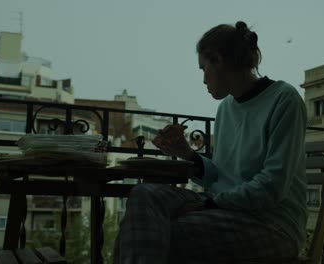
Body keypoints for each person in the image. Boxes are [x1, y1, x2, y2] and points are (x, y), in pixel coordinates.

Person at [113, 21, 308, 264]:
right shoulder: (226, 108)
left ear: (218, 60)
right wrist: (188, 154)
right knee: (143, 194)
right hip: (226, 209)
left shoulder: (283, 100)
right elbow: (222, 175)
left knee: (149, 234)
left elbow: (272, 186)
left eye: (203, 68)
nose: (203, 79)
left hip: (272, 224)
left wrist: (210, 203)